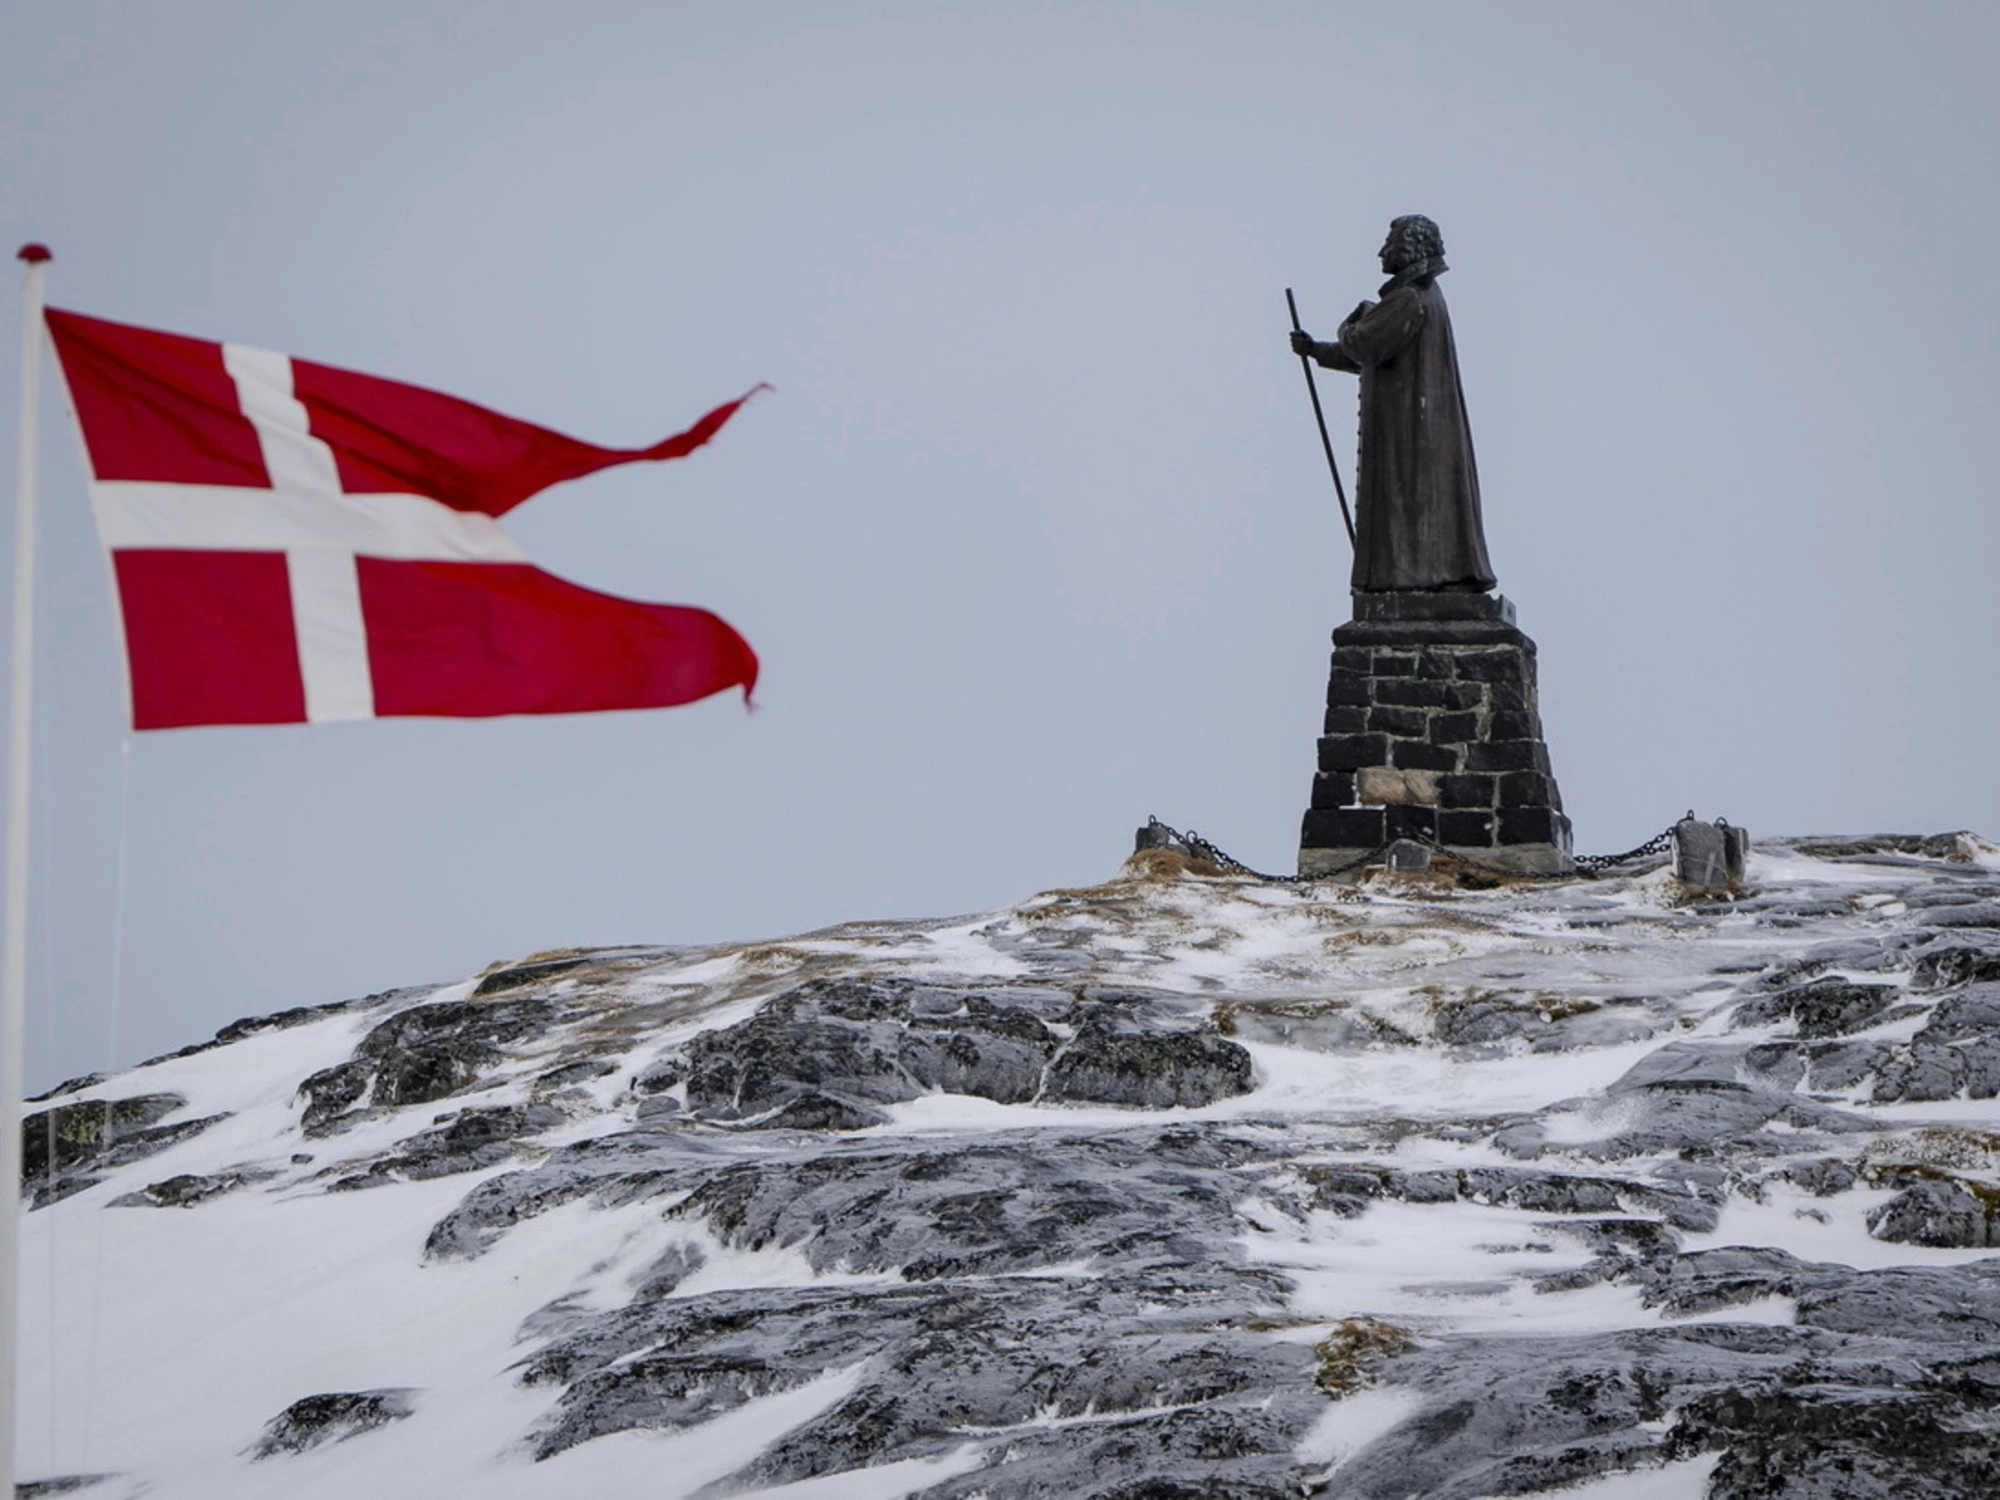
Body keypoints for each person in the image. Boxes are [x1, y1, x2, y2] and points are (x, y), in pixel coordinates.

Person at [1290, 215, 1497, 594]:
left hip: (1409, 428)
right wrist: (1316, 350)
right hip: (1418, 424)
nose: (1382, 252)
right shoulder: (1424, 295)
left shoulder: (1409, 298)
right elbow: (1375, 354)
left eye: (1388, 243)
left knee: (1410, 502)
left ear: (1408, 248)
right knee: (1420, 503)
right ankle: (1425, 575)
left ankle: (1413, 577)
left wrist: (1351, 323)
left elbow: (1364, 344)